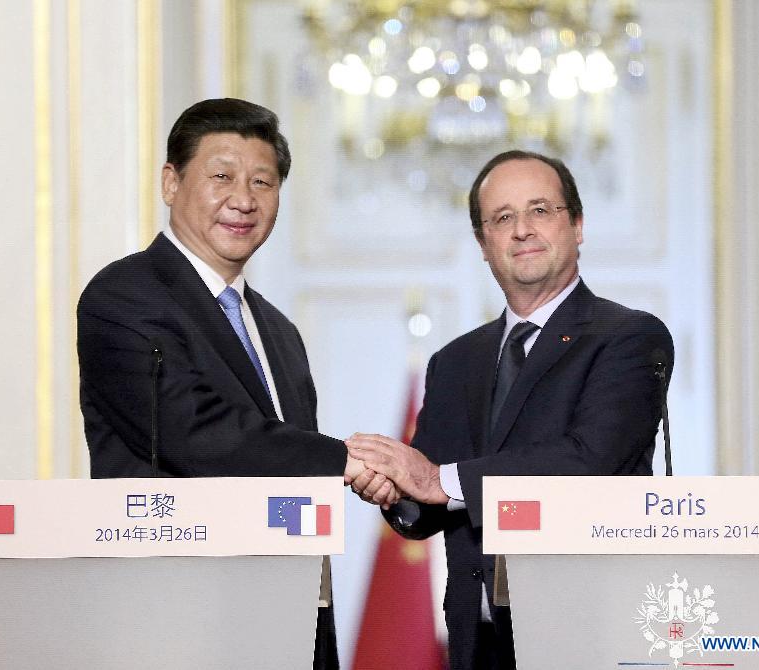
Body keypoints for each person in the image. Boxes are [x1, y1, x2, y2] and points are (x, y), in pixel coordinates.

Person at [77, 98, 387, 669]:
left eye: (263, 182)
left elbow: (291, 471)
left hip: (289, 615)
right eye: (222, 176)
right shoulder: (123, 296)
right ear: (171, 182)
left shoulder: (278, 330)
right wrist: (342, 460)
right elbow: (189, 431)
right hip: (178, 616)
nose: (243, 200)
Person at [347, 150, 674, 669]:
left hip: (590, 627)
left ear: (578, 225)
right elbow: (425, 503)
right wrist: (390, 488)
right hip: (479, 637)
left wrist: (436, 481)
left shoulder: (629, 338)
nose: (522, 229)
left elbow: (590, 461)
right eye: (502, 218)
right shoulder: (454, 362)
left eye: (540, 210)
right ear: (483, 244)